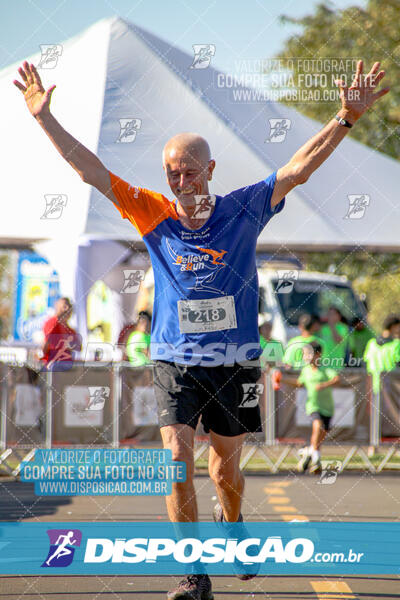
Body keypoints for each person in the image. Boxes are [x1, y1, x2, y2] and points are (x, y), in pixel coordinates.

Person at [13, 58, 388, 600]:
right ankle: (193, 573)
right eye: (171, 172)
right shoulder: (152, 212)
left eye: (189, 171)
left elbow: (298, 168)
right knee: (175, 466)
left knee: (225, 475)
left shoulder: (243, 210)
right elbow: (91, 171)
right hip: (174, 361)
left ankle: (232, 528)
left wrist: (346, 119)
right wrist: (46, 120)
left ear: (210, 171)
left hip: (235, 363)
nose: (180, 181)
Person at [282, 341, 340, 474]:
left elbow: (337, 379)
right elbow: (299, 383)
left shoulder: (325, 368)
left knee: (320, 438)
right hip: (313, 406)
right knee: (317, 427)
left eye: (308, 354)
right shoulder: (306, 370)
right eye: (304, 354)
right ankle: (316, 461)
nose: (305, 357)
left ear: (318, 354)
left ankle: (307, 453)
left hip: (327, 408)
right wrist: (283, 380)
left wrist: (323, 385)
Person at [363, 314, 400, 395]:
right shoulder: (396, 345)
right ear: (393, 327)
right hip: (392, 389)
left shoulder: (371, 344)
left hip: (374, 387)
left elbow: (365, 364)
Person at [41, 298, 81, 369]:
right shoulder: (52, 323)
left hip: (66, 366)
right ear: (57, 307)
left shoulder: (69, 329)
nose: (67, 309)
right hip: (52, 366)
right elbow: (45, 345)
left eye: (69, 306)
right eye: (64, 306)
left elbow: (79, 346)